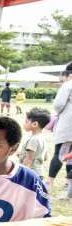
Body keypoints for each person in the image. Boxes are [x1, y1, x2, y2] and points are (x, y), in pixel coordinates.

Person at [46, 63, 72, 192]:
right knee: (71, 155)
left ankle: (49, 181)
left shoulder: (68, 85)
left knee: (59, 153)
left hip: (68, 125)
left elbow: (58, 105)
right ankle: (68, 182)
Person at [18, 108, 50, 178]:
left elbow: (29, 159)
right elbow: (45, 157)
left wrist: (23, 175)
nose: (24, 124)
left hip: (31, 174)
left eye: (26, 122)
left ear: (35, 124)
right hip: (39, 173)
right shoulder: (42, 138)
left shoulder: (33, 139)